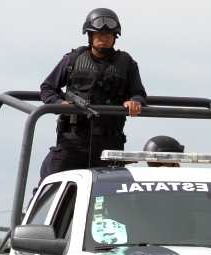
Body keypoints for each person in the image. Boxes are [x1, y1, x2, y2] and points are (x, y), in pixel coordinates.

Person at [38, 8, 147, 182]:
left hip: (110, 143)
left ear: (115, 36)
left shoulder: (127, 64)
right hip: (73, 140)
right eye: (99, 34)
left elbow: (138, 93)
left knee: (114, 195)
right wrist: (60, 104)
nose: (104, 38)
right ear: (90, 35)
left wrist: (134, 102)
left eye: (109, 34)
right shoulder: (73, 59)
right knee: (50, 185)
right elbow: (47, 87)